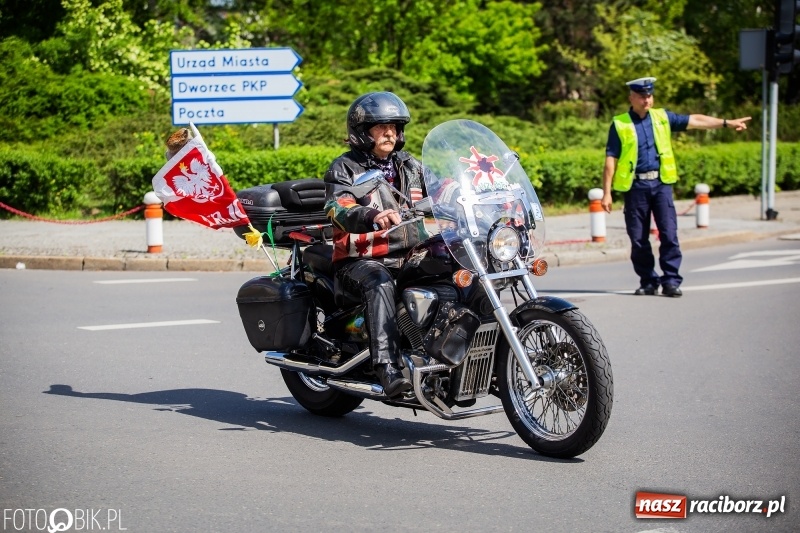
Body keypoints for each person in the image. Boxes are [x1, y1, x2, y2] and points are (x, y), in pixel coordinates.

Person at [601, 77, 751, 297]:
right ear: (631, 97)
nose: (647, 100)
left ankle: (671, 280)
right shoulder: (620, 123)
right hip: (636, 187)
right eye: (642, 96)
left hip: (661, 185)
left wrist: (727, 123)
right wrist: (606, 193)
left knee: (669, 234)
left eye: (649, 95)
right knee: (638, 239)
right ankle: (648, 281)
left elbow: (696, 120)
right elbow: (610, 159)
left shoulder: (662, 117)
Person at [323, 91, 427, 397]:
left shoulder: (409, 165)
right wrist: (370, 215)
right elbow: (336, 207)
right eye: (381, 126)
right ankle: (387, 368)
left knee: (453, 264)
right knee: (381, 283)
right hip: (361, 260)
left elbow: (443, 186)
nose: (390, 132)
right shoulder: (344, 168)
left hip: (408, 254)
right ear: (361, 132)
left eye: (394, 126)